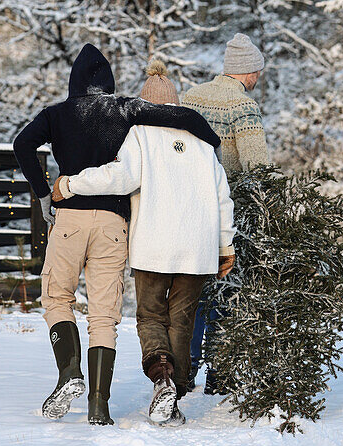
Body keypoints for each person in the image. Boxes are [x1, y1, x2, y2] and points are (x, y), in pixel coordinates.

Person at [13, 45, 219, 426]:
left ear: (74, 82)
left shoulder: (56, 114)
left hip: (70, 219)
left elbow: (21, 144)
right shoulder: (126, 109)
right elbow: (176, 115)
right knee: (104, 315)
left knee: (57, 297)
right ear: (108, 82)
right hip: (113, 224)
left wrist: (45, 193)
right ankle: (98, 406)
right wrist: (209, 136)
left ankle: (69, 371)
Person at [181, 32, 267, 392]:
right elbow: (257, 167)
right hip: (230, 210)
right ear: (248, 72)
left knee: (192, 292)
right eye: (258, 72)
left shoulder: (191, 96)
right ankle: (221, 373)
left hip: (186, 207)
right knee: (227, 289)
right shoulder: (243, 106)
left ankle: (186, 369)